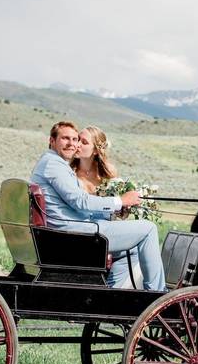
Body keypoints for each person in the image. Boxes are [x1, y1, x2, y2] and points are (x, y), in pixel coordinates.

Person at [30, 121, 166, 291]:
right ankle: (157, 293)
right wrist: (120, 201)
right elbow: (81, 202)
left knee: (130, 250)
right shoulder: (54, 164)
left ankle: (107, 295)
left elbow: (76, 206)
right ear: (52, 140)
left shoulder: (53, 163)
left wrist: (116, 208)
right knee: (149, 229)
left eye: (75, 139)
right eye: (65, 138)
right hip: (71, 232)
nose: (73, 143)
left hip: (71, 227)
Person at [72, 125, 142, 287]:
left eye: (83, 142)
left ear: (96, 150)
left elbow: (115, 208)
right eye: (77, 140)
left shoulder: (109, 173)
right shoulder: (70, 173)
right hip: (85, 230)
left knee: (132, 247)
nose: (77, 145)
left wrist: (123, 210)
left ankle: (112, 288)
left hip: (106, 228)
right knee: (132, 246)